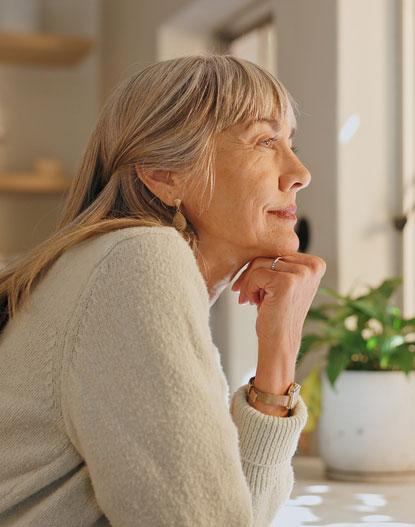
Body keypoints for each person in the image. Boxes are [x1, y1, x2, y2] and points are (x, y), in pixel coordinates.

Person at [0, 53, 326, 526]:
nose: (299, 172)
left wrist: (279, 350)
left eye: (290, 141)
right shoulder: (138, 258)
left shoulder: (124, 267)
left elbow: (235, 513)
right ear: (164, 175)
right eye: (265, 141)